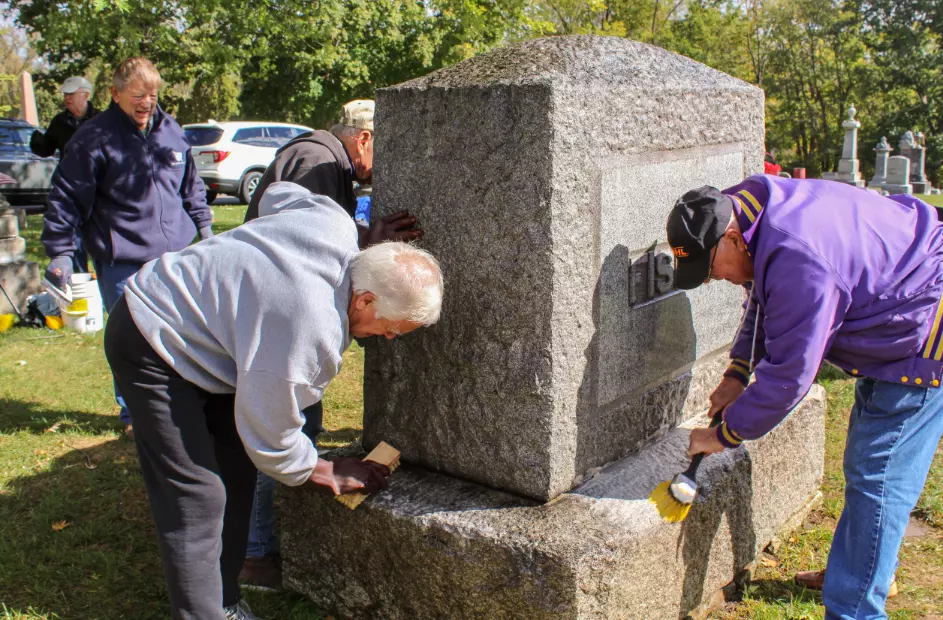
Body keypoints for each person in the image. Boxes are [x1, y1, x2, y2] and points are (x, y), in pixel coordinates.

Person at [104, 181, 444, 620]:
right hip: (153, 329)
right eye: (392, 327)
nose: (390, 338)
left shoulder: (335, 222)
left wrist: (359, 241)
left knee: (236, 472)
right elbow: (270, 428)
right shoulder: (312, 330)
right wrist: (323, 470)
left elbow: (277, 193)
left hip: (217, 344)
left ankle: (224, 601)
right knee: (196, 494)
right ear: (364, 298)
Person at [667, 175, 943, 620]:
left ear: (732, 239)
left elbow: (791, 376)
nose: (715, 278)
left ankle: (855, 606)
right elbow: (763, 292)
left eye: (712, 267)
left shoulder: (799, 256)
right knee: (870, 468)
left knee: (879, 475)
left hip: (923, 322)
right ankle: (857, 570)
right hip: (894, 300)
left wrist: (725, 434)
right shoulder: (749, 207)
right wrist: (738, 372)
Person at [238, 99, 421, 589]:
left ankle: (270, 535)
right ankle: (254, 553)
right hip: (275, 325)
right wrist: (366, 239)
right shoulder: (318, 161)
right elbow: (296, 241)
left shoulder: (330, 165)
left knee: (288, 428)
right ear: (364, 138)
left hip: (272, 323)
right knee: (277, 428)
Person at [42, 57, 211, 439]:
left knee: (183, 333)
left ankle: (182, 407)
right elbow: (66, 197)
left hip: (175, 257)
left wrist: (205, 228)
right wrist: (60, 252)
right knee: (132, 339)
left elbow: (191, 187)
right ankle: (134, 415)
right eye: (137, 95)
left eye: (152, 94)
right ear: (115, 93)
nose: (146, 103)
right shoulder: (93, 138)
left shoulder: (171, 132)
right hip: (121, 259)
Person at [30, 76, 100, 273]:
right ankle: (79, 280)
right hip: (69, 189)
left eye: (71, 94)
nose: (67, 98)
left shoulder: (101, 120)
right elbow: (46, 149)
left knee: (99, 239)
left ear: (86, 95)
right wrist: (36, 140)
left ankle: (102, 280)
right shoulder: (59, 122)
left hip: (98, 190)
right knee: (73, 237)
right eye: (65, 94)